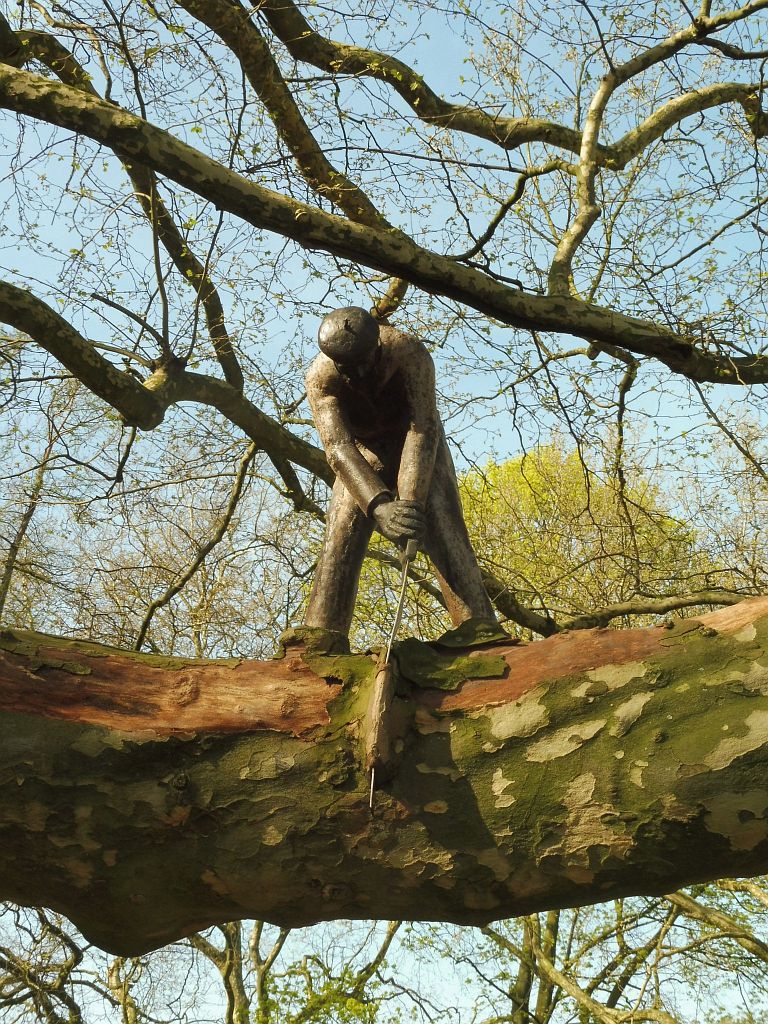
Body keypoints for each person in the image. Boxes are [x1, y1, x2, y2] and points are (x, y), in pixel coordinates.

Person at [303, 306, 499, 640]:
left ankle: (477, 628)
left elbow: (422, 427)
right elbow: (338, 447)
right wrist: (379, 506)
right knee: (340, 535)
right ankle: (321, 637)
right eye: (348, 369)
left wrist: (409, 503)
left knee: (442, 522)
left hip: (419, 445)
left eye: (364, 364)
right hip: (361, 455)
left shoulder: (408, 352)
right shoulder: (321, 378)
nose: (358, 375)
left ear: (377, 346)